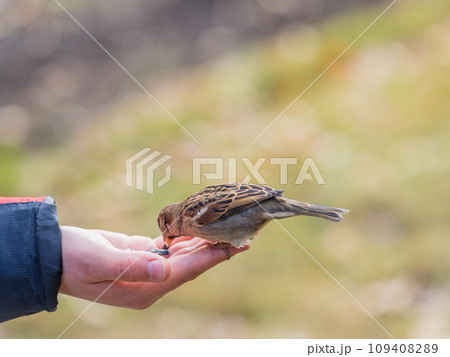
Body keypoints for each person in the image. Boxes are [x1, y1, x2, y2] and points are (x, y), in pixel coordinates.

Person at [0, 196, 249, 322]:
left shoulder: (194, 213)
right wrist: (53, 253)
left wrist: (54, 252)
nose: (166, 241)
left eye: (167, 230)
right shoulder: (189, 216)